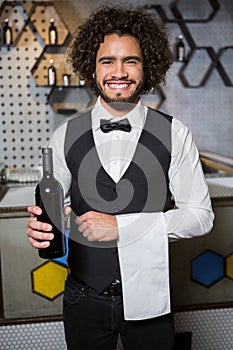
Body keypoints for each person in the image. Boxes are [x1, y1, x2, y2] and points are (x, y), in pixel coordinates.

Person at [26, 5, 214, 350]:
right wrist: (43, 228)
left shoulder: (175, 133)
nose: (119, 72)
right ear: (92, 67)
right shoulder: (64, 135)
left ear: (147, 67)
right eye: (107, 61)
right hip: (83, 299)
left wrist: (121, 226)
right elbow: (57, 212)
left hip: (151, 300)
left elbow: (201, 218)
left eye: (131, 60)